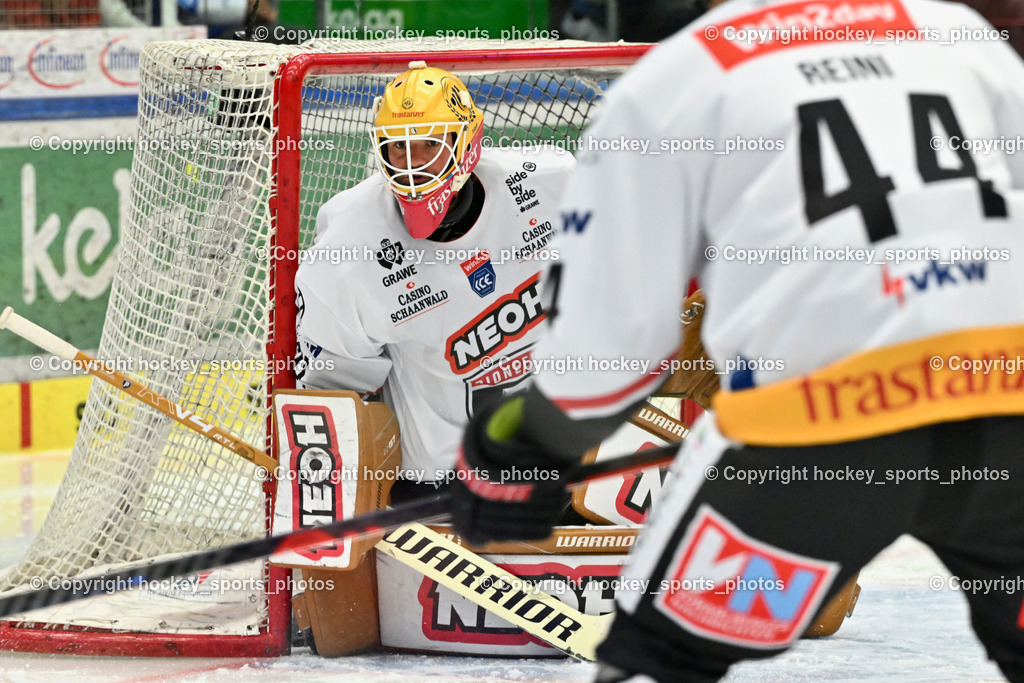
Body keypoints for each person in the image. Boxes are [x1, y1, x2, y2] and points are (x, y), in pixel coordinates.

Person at [448, 0, 1024, 680]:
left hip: (817, 442)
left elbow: (605, 361)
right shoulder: (953, 31)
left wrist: (514, 448)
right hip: (1009, 411)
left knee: (657, 661)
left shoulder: (675, 80)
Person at [294, 61, 574, 498]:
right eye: (397, 148)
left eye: (428, 145)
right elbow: (330, 401)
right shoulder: (349, 250)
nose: (412, 166)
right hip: (435, 495)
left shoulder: (551, 186)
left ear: (466, 142)